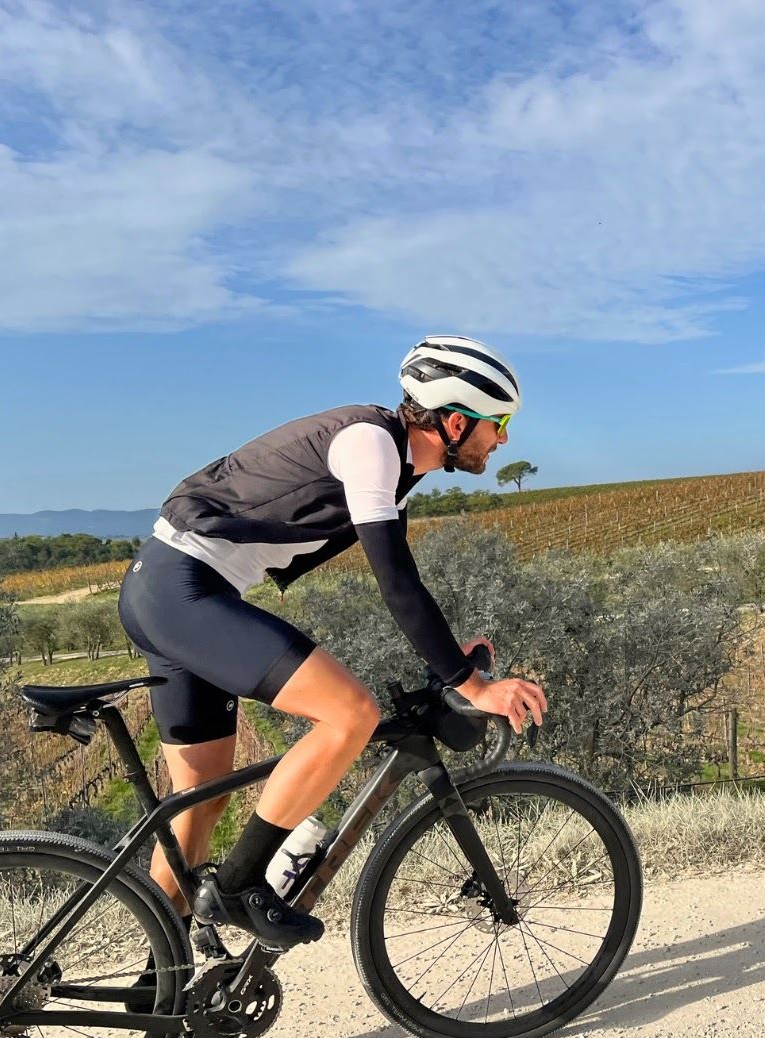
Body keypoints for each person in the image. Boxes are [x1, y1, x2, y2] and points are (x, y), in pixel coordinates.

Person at [118, 335, 548, 948]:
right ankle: (240, 887)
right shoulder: (370, 443)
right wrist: (471, 684)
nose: (502, 439)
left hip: (163, 591)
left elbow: (404, 585)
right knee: (350, 714)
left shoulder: (391, 466)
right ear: (455, 421)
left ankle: (161, 979)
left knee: (198, 805)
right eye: (497, 424)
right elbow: (396, 583)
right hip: (185, 592)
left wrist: (452, 657)